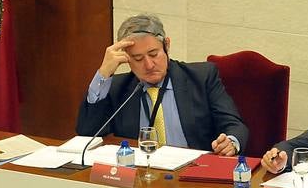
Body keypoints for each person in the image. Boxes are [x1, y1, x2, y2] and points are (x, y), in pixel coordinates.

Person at [76, 14, 247, 155]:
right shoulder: (118, 88)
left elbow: (234, 125)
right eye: (138, 58)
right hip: (139, 177)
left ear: (167, 45)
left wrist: (231, 142)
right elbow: (87, 133)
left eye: (154, 54)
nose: (149, 65)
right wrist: (103, 74)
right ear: (126, 59)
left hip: (193, 173)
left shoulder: (202, 77)